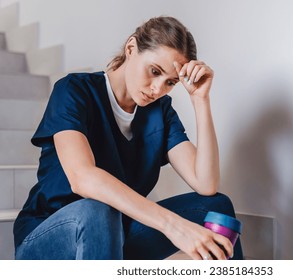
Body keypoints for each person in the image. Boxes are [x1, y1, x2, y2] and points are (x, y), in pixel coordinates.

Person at [13, 16, 243, 260]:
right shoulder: (74, 90)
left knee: (216, 207)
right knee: (97, 208)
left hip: (114, 236)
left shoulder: (160, 111)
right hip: (49, 237)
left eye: (170, 82)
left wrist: (200, 100)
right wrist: (173, 226)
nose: (157, 89)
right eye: (154, 71)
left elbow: (205, 184)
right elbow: (82, 178)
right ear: (131, 48)